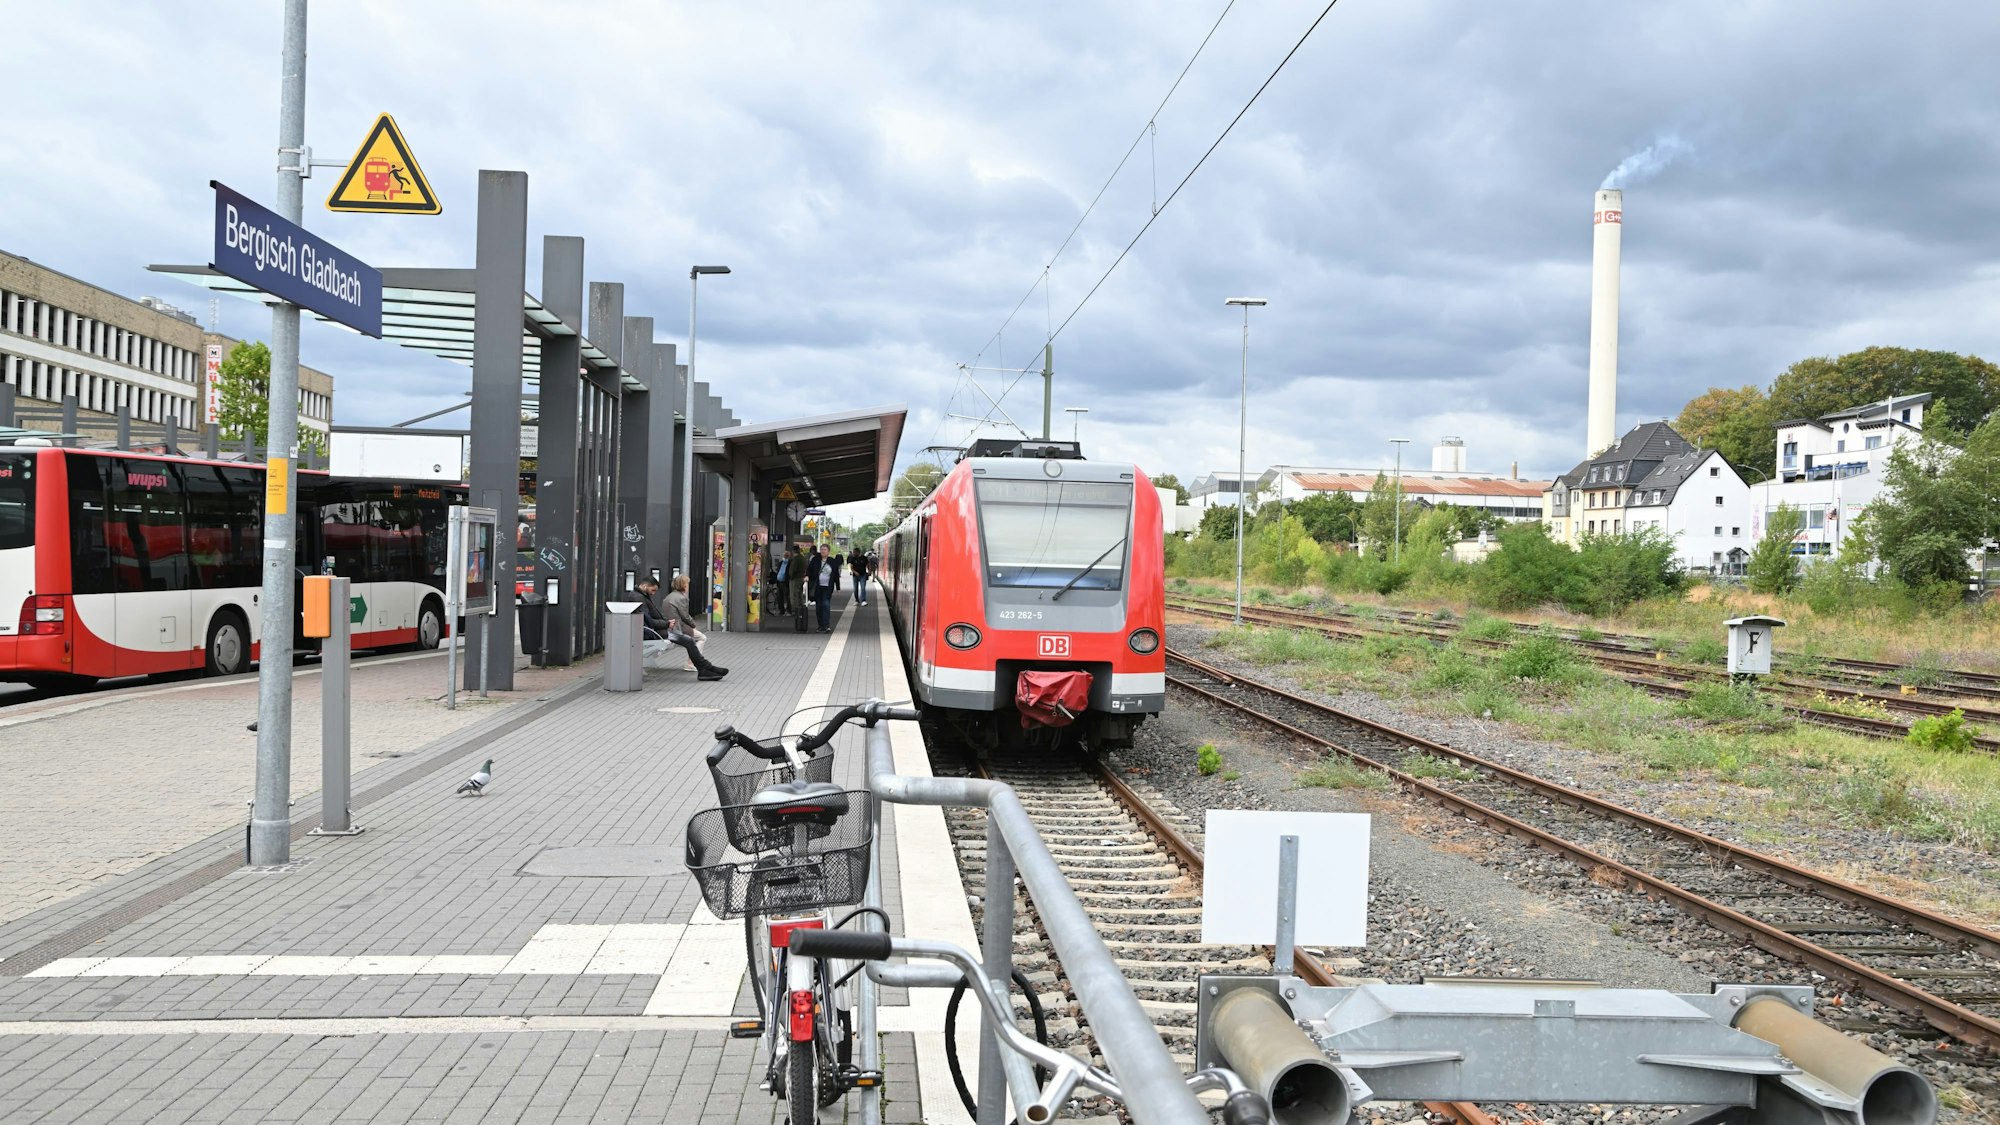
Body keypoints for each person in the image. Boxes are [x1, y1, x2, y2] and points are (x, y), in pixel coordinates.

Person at [638, 576, 726, 680]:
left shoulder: (660, 596)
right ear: (645, 586)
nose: (653, 593)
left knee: (689, 641)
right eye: (653, 590)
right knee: (692, 640)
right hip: (658, 631)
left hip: (660, 629)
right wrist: (667, 624)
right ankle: (703, 668)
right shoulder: (640, 598)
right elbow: (648, 619)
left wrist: (666, 623)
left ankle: (705, 668)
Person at [805, 545, 837, 633]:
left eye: (825, 549)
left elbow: (836, 574)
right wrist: (807, 576)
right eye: (822, 549)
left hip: (828, 587)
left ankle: (826, 625)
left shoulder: (832, 561)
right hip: (817, 587)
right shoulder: (815, 560)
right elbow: (809, 569)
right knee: (819, 606)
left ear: (828, 551)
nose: (823, 551)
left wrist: (838, 587)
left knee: (826, 604)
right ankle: (820, 625)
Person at [787, 542, 809, 633]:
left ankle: (796, 610)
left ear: (793, 551)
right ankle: (800, 608)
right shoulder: (803, 558)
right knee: (799, 595)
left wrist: (790, 576)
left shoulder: (796, 559)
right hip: (801, 578)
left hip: (795, 579)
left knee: (794, 595)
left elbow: (792, 571)